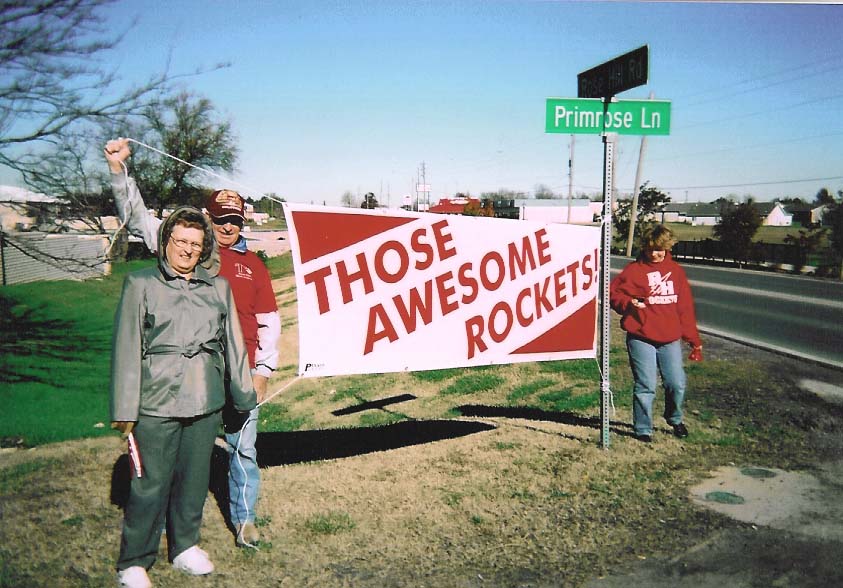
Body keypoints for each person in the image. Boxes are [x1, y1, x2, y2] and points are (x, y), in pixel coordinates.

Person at [104, 138, 281, 547]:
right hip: (191, 373)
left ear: (243, 221)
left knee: (243, 450)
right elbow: (140, 223)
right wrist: (118, 172)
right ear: (208, 218)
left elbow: (270, 321)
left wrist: (264, 371)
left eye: (234, 219)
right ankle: (167, 525)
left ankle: (245, 519)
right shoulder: (191, 250)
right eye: (220, 219)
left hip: (241, 371)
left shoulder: (255, 265)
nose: (227, 227)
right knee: (176, 453)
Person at [110, 206, 256, 588]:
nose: (188, 250)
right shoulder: (140, 284)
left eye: (196, 243)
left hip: (205, 399)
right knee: (149, 484)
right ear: (166, 242)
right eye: (181, 241)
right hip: (156, 402)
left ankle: (185, 547)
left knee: (194, 480)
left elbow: (234, 346)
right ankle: (134, 561)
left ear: (204, 247)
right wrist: (125, 408)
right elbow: (128, 347)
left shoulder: (218, 287)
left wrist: (243, 396)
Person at [609, 224, 703, 443]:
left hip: (669, 338)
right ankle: (643, 428)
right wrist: (629, 303)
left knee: (676, 383)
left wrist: (693, 340)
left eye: (659, 249)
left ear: (668, 247)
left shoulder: (676, 272)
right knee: (646, 385)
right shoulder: (634, 271)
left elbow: (685, 309)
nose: (655, 254)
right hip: (641, 337)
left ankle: (674, 418)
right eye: (650, 249)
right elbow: (614, 294)